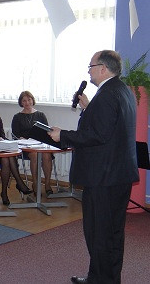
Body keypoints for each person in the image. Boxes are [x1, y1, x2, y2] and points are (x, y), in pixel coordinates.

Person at [48, 50, 139, 284]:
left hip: (104, 177)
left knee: (99, 232)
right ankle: (104, 277)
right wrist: (89, 108)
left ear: (103, 69)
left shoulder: (108, 94)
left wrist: (63, 135)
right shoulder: (122, 91)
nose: (88, 70)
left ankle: (101, 280)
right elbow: (109, 128)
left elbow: (97, 135)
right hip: (117, 174)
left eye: (90, 66)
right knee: (112, 233)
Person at [11, 91, 53, 195]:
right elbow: (15, 134)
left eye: (29, 100)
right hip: (26, 147)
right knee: (34, 155)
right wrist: (22, 139)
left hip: (40, 144)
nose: (27, 102)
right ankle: (35, 183)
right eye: (24, 100)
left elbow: (47, 131)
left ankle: (47, 184)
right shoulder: (17, 117)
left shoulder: (40, 115)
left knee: (47, 155)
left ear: (32, 100)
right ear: (21, 102)